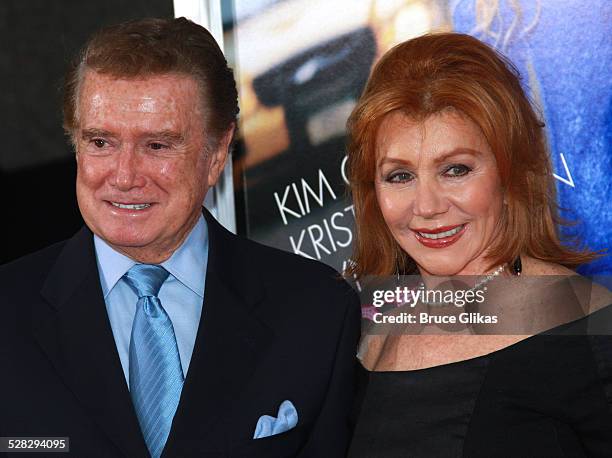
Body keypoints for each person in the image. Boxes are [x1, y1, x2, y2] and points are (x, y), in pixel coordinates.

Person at [0, 18, 360, 458]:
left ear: (216, 153)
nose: (124, 175)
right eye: (100, 142)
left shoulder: (315, 311)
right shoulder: (7, 312)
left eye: (157, 145)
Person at [345, 33, 612, 456]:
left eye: (455, 169)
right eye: (400, 176)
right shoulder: (364, 326)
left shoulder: (585, 329)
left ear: (509, 173)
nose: (427, 206)